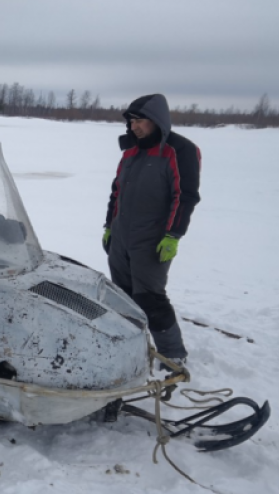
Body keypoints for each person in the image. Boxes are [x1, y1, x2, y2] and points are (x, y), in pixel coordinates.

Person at [103, 93, 201, 368]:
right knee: (122, 294)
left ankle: (173, 354)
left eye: (140, 121)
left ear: (156, 121)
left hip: (152, 238)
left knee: (150, 297)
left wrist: (173, 235)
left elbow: (185, 196)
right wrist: (109, 226)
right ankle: (128, 345)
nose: (134, 127)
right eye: (131, 122)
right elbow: (116, 192)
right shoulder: (132, 151)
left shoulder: (179, 150)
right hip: (122, 234)